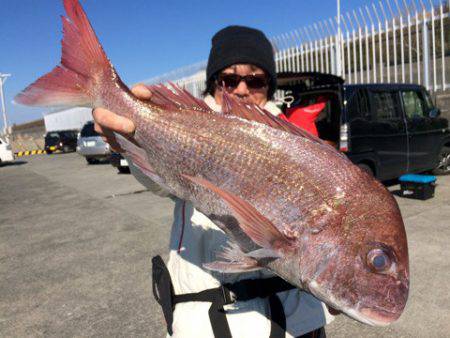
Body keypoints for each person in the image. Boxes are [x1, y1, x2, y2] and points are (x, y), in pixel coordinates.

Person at [93, 25, 334, 338]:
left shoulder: (294, 143)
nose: (242, 89)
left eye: (256, 79)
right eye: (230, 79)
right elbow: (157, 182)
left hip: (297, 325)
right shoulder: (190, 131)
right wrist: (129, 140)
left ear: (269, 86)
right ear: (214, 83)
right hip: (209, 327)